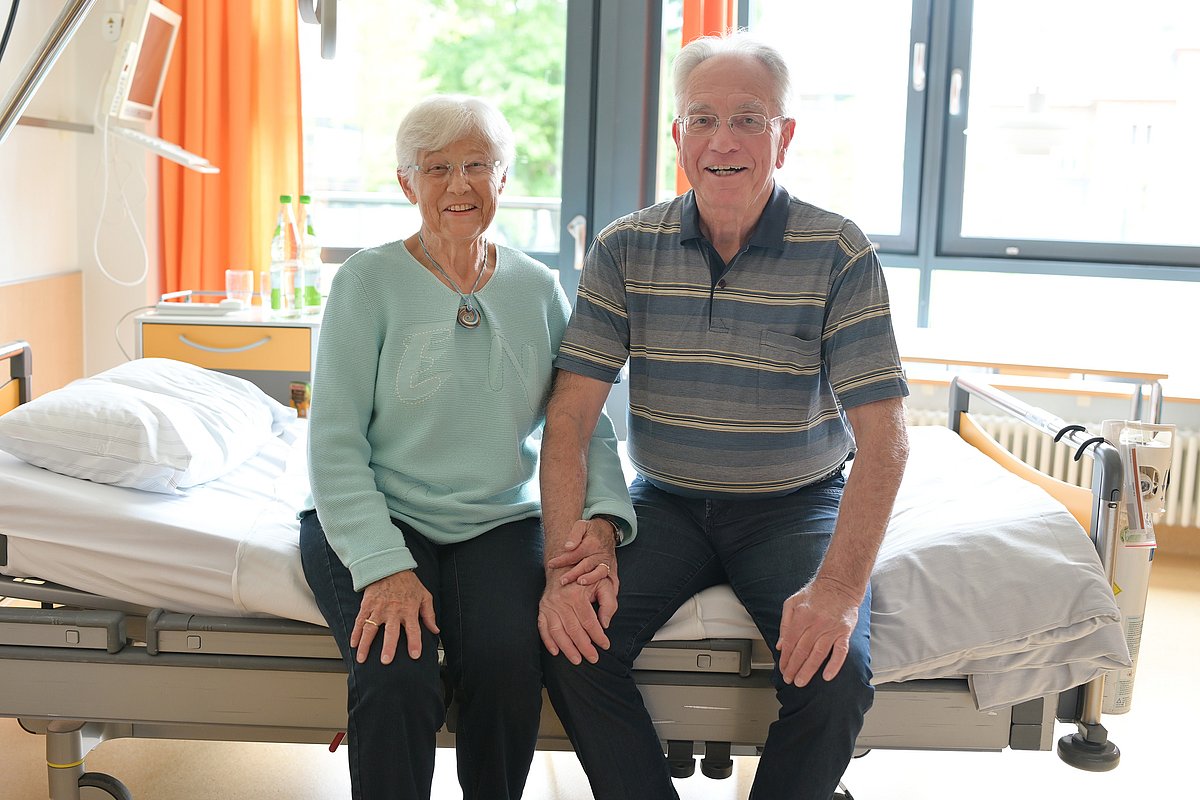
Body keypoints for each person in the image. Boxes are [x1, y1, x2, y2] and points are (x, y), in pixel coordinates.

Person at [536, 32, 910, 800]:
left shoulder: (838, 252)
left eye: (749, 118)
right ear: (677, 137)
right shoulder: (625, 248)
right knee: (570, 642)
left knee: (837, 676)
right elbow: (570, 420)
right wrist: (561, 569)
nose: (723, 140)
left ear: (786, 135)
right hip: (666, 502)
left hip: (794, 506)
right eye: (701, 119)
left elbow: (886, 442)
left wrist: (837, 591)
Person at [299, 94, 635, 800]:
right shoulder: (367, 282)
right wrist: (383, 567)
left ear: (503, 179)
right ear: (406, 184)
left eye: (477, 165)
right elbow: (331, 442)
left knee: (510, 664)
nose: (459, 185)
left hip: (493, 517)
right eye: (437, 168)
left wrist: (602, 517)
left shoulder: (538, 289)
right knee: (397, 667)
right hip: (379, 514)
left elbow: (582, 424)